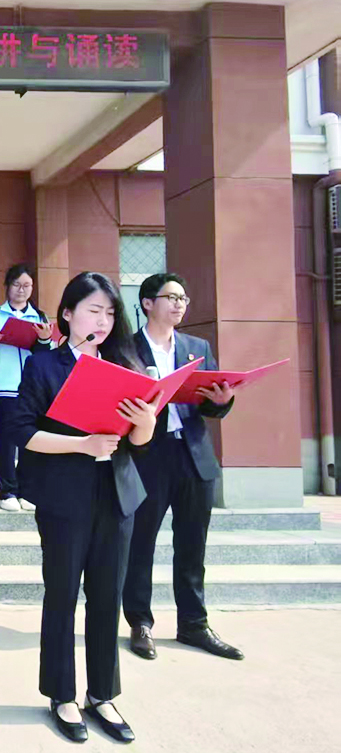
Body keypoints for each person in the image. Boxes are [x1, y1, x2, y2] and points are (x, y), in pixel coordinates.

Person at [7, 271, 158, 745]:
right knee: (63, 594)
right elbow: (22, 432)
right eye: (93, 310)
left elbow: (140, 444)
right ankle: (62, 695)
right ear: (68, 314)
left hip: (116, 494)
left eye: (110, 312)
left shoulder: (126, 365)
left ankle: (102, 694)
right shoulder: (44, 366)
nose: (103, 320)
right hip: (64, 496)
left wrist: (146, 421)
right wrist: (82, 444)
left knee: (108, 595)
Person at [123, 273, 242, 661]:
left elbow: (210, 404)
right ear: (147, 303)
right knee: (140, 544)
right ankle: (140, 622)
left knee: (192, 546)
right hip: (147, 456)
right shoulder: (125, 348)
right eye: (171, 297)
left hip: (193, 455)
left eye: (183, 298)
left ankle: (193, 624)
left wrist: (221, 401)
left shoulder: (197, 347)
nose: (179, 304)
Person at [0, 264, 55, 512]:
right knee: (6, 441)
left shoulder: (40, 317)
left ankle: (27, 490)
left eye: (27, 286)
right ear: (7, 286)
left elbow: (46, 356)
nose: (22, 290)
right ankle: (8, 491)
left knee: (31, 440)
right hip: (3, 387)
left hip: (32, 389)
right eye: (17, 285)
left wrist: (44, 340)